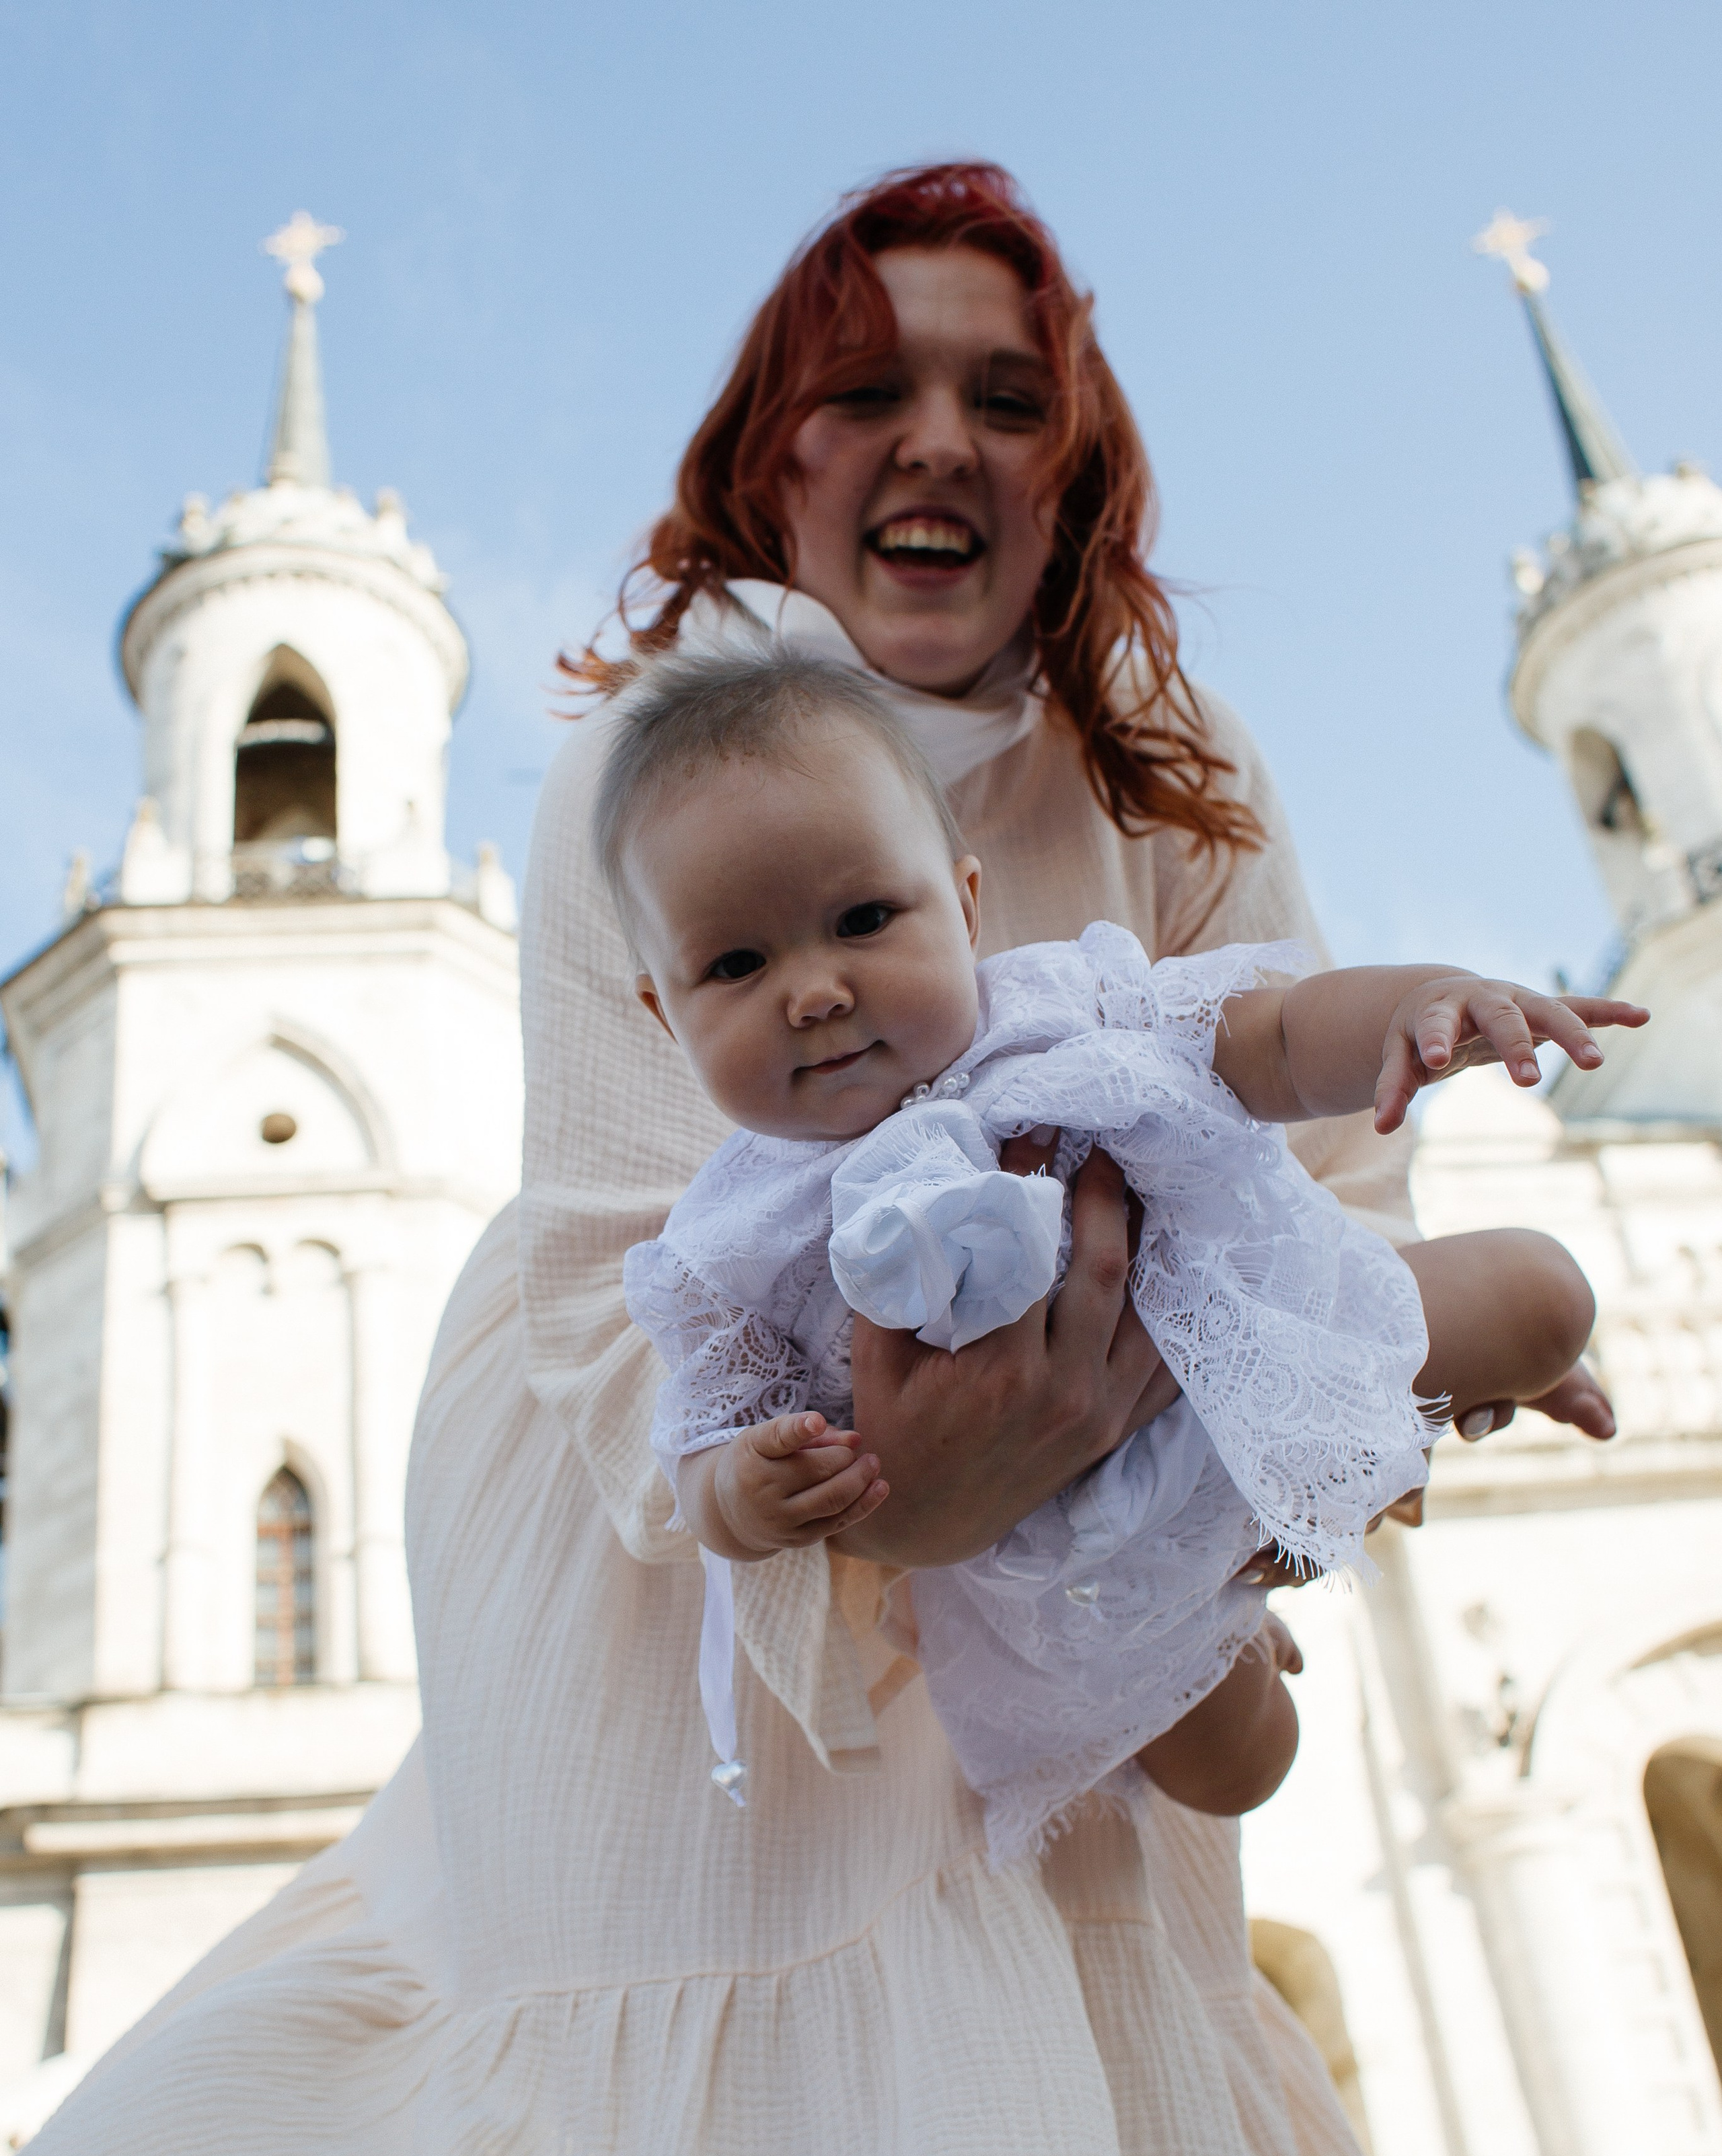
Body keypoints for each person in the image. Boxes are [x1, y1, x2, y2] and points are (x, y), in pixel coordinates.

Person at [0, 163, 1625, 2156]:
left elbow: (1325, 1168)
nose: (937, 438)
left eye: (1005, 398)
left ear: (1072, 465)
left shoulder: (1168, 763)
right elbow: (611, 1257)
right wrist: (879, 1502)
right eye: (867, 390)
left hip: (1090, 1557)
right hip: (703, 1612)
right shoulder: (661, 761)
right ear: (777, 455)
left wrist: (1229, 1492)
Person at [608, 647, 1634, 1861]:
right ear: (665, 1011)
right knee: (1238, 1771)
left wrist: (1420, 1006)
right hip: (1060, 1554)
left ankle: (1457, 1394)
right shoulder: (726, 1245)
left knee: (1545, 1296)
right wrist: (744, 1495)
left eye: (865, 920)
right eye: (737, 964)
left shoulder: (1066, 1013)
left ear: (966, 907)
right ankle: (1230, 1608)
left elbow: (1276, 1039)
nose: (815, 991)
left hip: (1252, 1351)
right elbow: (704, 1445)